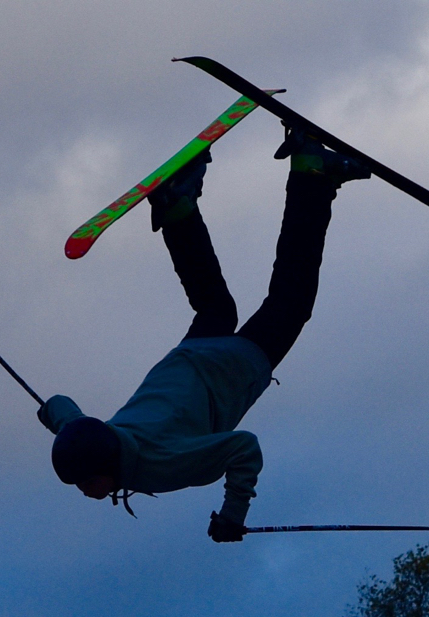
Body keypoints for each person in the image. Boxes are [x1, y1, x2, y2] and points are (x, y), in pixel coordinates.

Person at [38, 129, 370, 542]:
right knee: (216, 308)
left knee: (291, 301)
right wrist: (50, 415)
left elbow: (243, 448)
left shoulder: (161, 463)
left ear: (105, 465)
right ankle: (176, 206)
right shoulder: (100, 434)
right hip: (187, 357)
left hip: (227, 371)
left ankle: (312, 173)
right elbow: (64, 410)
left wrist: (233, 514)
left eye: (87, 482)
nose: (85, 492)